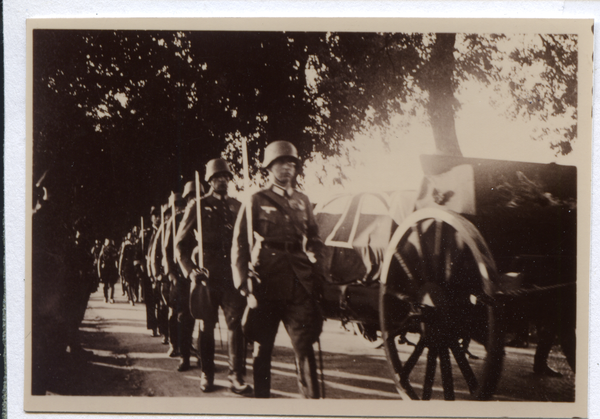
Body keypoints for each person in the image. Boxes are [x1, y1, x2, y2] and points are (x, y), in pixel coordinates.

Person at [231, 141, 325, 399]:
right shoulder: (256, 199)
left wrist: (317, 262)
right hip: (266, 280)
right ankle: (263, 405)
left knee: (305, 346)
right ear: (270, 167)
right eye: (282, 163)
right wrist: (243, 280)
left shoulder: (303, 200)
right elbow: (239, 243)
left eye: (292, 164)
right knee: (263, 346)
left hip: (298, 280)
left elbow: (315, 238)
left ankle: (314, 408)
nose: (288, 168)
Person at [177, 159, 249, 393]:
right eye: (217, 177)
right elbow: (180, 244)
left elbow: (247, 241)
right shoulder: (198, 205)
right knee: (206, 325)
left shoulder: (238, 206)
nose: (222, 181)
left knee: (236, 324)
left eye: (226, 177)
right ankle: (207, 374)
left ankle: (236, 376)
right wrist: (190, 271)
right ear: (209, 180)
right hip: (206, 272)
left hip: (232, 273)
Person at [162, 192, 191, 362]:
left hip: (196, 271)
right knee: (177, 312)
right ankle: (175, 344)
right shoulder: (174, 221)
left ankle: (190, 347)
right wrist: (170, 273)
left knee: (196, 313)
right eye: (177, 205)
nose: (180, 208)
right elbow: (165, 249)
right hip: (178, 274)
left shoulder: (202, 213)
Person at [98, 238, 119, 303]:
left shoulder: (105, 250)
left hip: (107, 268)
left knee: (107, 284)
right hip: (109, 268)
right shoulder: (111, 250)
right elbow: (116, 260)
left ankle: (107, 297)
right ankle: (109, 297)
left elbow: (99, 260)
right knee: (110, 284)